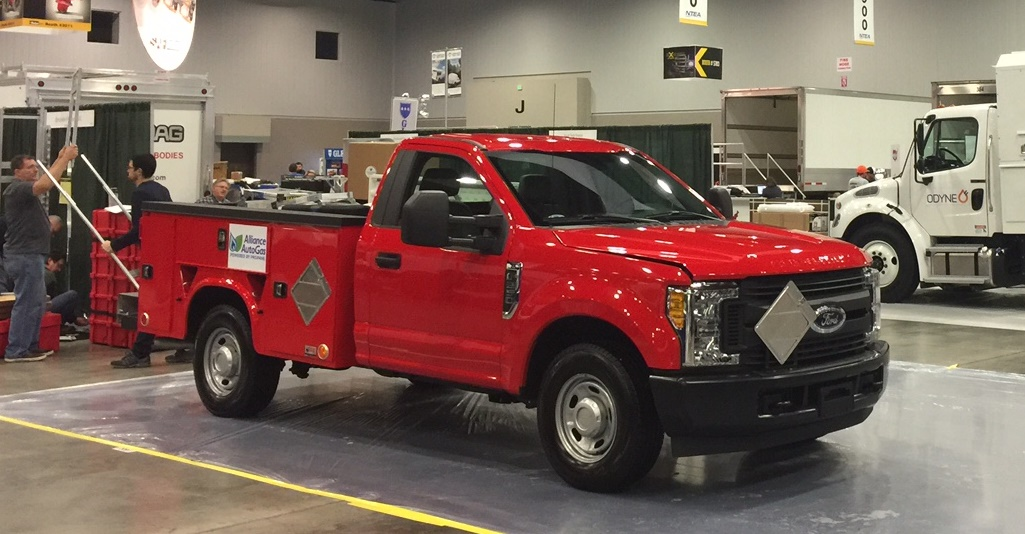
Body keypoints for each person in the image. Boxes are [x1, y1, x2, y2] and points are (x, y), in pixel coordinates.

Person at [3, 145, 78, 362]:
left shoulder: (24, 188)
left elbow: (45, 179)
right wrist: (65, 160)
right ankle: (16, 350)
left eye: (36, 167)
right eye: (29, 168)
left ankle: (29, 346)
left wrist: (60, 157)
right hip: (24, 255)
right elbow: (46, 184)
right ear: (17, 172)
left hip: (32, 254)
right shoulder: (17, 189)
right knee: (26, 302)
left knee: (35, 303)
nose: (34, 170)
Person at [101, 154, 173, 369]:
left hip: (154, 254)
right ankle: (184, 347)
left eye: (130, 167)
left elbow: (140, 230)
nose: (127, 171)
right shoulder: (162, 190)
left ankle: (140, 353)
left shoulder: (140, 193)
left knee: (148, 303)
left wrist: (113, 245)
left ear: (139, 172)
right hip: (168, 251)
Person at [44, 252, 88, 331]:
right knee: (72, 295)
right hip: (42, 308)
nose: (59, 269)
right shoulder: (49, 275)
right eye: (59, 265)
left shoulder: (38, 271)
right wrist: (74, 318)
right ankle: (62, 323)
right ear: (50, 260)